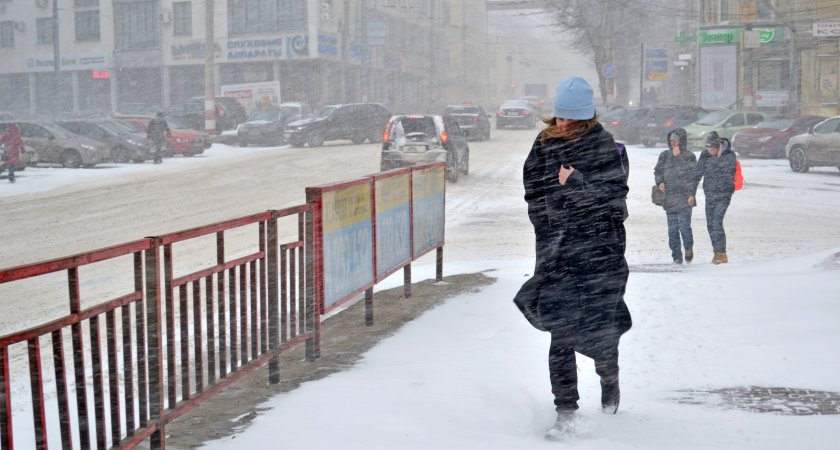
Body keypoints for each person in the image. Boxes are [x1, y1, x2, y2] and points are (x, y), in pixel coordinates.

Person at [517, 76, 632, 438]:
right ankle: (565, 409)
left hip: (599, 254)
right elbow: (532, 190)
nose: (562, 124)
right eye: (559, 117)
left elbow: (616, 202)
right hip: (559, 255)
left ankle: (609, 379)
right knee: (560, 333)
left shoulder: (603, 145)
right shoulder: (544, 144)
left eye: (571, 118)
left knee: (601, 331)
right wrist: (546, 224)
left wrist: (578, 186)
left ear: (586, 117)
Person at [688, 131, 736, 264]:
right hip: (710, 195)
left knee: (717, 222)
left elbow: (728, 171)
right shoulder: (705, 155)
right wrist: (691, 193)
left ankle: (722, 254)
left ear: (719, 147)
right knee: (710, 225)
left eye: (712, 149)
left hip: (724, 194)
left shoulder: (729, 155)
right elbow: (696, 174)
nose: (709, 151)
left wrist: (718, 158)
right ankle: (716, 253)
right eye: (707, 148)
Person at [654, 128, 697, 264]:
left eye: (676, 141)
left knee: (684, 227)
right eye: (671, 140)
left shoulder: (689, 156)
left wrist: (691, 194)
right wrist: (660, 181)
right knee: (672, 230)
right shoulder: (664, 155)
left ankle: (688, 248)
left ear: (682, 141)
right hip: (669, 198)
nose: (673, 143)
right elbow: (658, 171)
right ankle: (676, 256)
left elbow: (692, 176)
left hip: (685, 198)